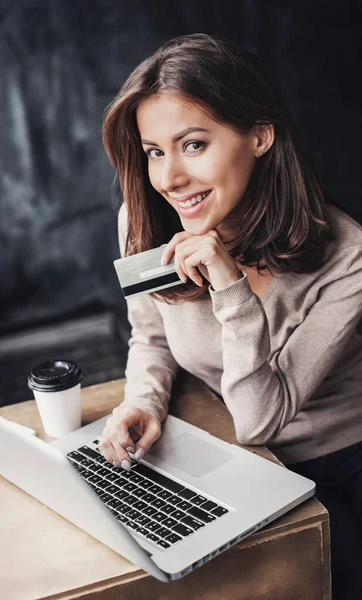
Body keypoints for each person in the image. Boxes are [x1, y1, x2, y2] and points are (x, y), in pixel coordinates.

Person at [99, 33, 362, 599]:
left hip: (340, 457)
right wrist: (142, 401)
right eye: (154, 152)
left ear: (260, 136)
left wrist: (229, 285)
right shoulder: (143, 220)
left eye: (192, 145)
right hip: (231, 451)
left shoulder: (348, 257)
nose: (168, 179)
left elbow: (260, 419)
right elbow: (151, 334)